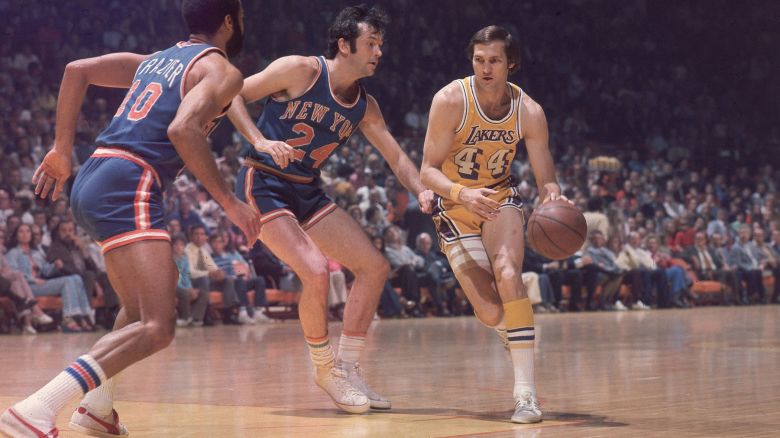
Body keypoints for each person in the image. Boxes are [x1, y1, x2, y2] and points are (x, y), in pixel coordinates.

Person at [0, 1, 262, 437]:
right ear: (229, 22)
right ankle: (35, 409)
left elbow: (76, 70)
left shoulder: (155, 61)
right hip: (131, 178)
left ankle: (97, 409)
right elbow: (183, 130)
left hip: (93, 172)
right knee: (159, 326)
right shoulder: (220, 68)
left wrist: (62, 151)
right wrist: (229, 204)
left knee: (138, 311)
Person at [229, 5, 433, 413]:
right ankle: (325, 370)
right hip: (264, 181)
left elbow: (396, 158)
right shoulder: (301, 70)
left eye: (380, 44)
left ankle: (350, 368)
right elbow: (229, 91)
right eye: (370, 43)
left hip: (306, 190)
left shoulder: (364, 106)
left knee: (375, 267)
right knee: (316, 271)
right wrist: (260, 139)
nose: (378, 52)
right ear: (344, 44)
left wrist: (422, 191)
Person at [420, 25, 564, 423]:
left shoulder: (529, 111)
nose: (485, 68)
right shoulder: (450, 100)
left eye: (494, 61)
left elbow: (545, 177)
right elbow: (427, 171)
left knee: (507, 272)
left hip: (500, 199)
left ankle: (526, 395)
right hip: (455, 203)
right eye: (479, 60)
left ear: (511, 64)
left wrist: (553, 195)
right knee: (488, 311)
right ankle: (512, 331)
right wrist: (463, 194)